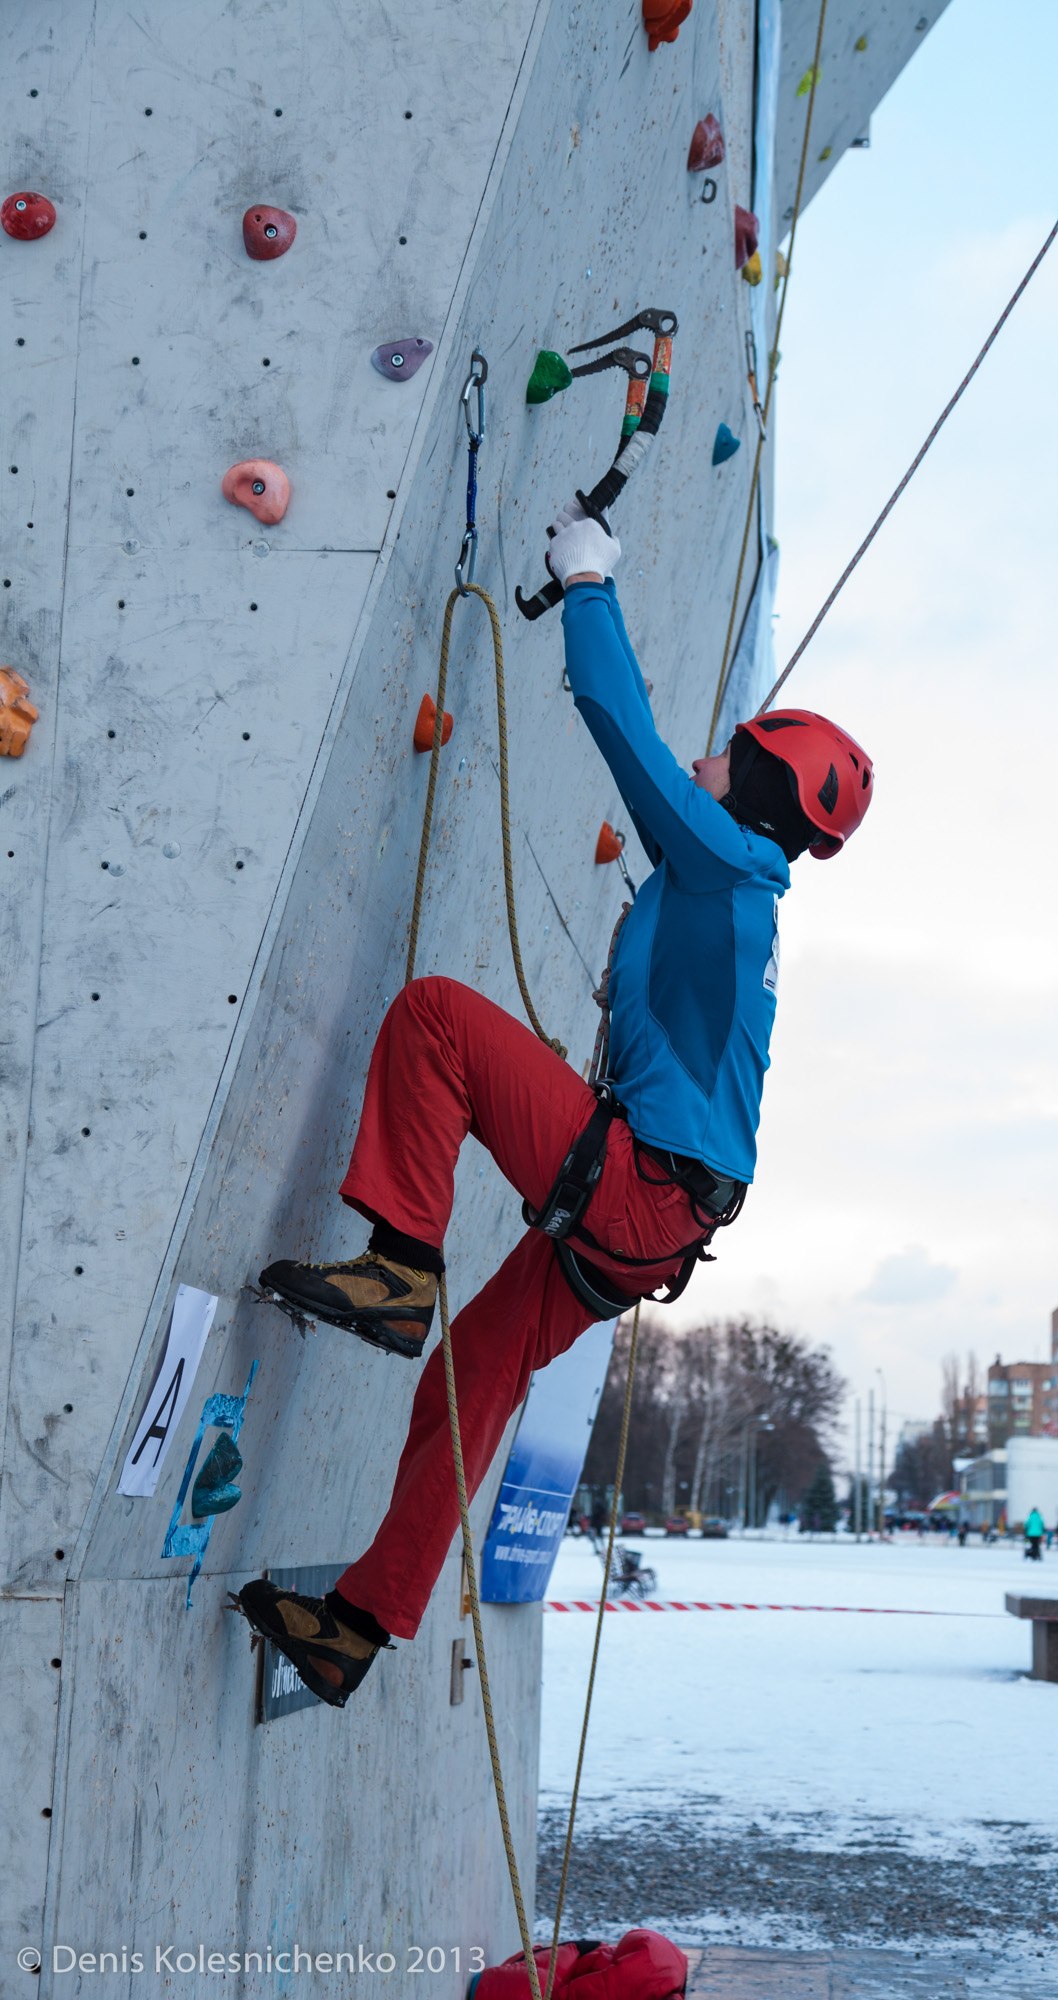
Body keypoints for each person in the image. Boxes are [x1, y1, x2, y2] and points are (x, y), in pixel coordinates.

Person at [232, 506, 874, 1706]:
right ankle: (352, 1628)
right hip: (656, 1222)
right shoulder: (736, 895)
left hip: (638, 1188)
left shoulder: (725, 859)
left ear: (759, 789)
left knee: (434, 1017)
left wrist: (587, 579)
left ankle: (395, 1264)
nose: (707, 754)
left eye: (731, 749)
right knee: (467, 1383)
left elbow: (616, 723)